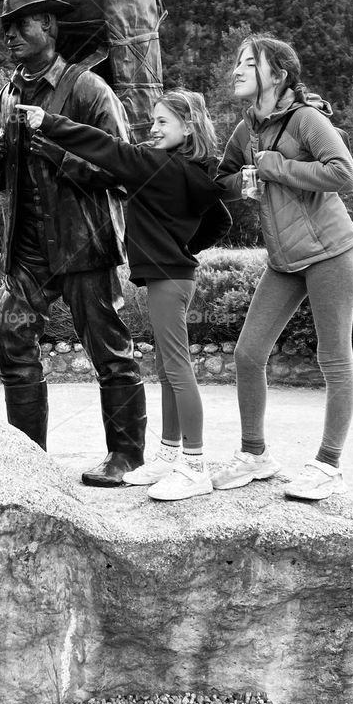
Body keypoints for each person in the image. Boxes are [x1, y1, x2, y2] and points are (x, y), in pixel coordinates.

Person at [17, 91, 232, 501]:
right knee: (170, 369)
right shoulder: (193, 170)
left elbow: (105, 147)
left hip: (169, 279)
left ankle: (194, 464)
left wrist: (47, 121)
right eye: (153, 121)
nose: (153, 129)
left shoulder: (156, 165)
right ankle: (169, 454)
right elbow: (219, 219)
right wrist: (183, 246)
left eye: (163, 122)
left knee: (178, 369)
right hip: (174, 274)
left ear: (189, 127)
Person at [0, 0, 145, 487]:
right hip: (28, 249)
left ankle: (126, 457)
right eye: (5, 28)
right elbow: (4, 179)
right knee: (10, 337)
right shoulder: (8, 93)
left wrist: (54, 151)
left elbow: (125, 169)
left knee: (108, 351)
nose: (9, 35)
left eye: (20, 25)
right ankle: (29, 457)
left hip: (83, 243)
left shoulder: (89, 90)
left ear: (49, 27)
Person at [214, 34, 353, 501]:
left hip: (332, 253)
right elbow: (220, 181)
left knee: (333, 359)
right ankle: (255, 455)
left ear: (276, 74)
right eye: (236, 62)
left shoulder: (307, 119)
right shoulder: (246, 130)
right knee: (247, 353)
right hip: (283, 260)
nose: (236, 70)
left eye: (247, 62)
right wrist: (244, 181)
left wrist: (279, 169)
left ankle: (328, 466)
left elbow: (345, 174)